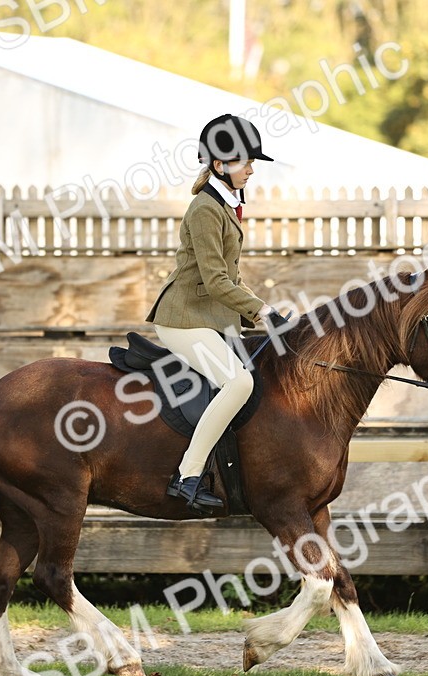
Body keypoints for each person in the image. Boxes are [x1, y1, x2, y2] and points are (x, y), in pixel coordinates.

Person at [145, 114, 282, 514]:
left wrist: (265, 313)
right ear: (220, 165)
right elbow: (218, 280)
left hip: (209, 317)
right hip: (182, 319)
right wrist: (262, 311)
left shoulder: (225, 204)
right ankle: (187, 475)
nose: (252, 169)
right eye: (245, 162)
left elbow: (232, 279)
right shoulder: (205, 209)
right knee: (238, 383)